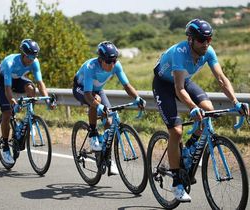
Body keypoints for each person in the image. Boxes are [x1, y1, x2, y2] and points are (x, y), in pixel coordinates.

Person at [152, 19, 249, 202]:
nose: (205, 43)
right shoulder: (180, 52)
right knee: (176, 131)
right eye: (201, 40)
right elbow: (178, 88)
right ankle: (177, 184)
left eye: (209, 39)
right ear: (190, 40)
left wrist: (235, 102)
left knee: (209, 110)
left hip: (184, 81)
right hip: (164, 84)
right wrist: (193, 108)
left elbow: (221, 79)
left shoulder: (208, 51)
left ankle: (188, 150)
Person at [73, 41, 146, 175]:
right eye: (109, 61)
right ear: (101, 59)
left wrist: (136, 97)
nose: (112, 64)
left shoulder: (116, 66)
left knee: (108, 122)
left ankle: (107, 158)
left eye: (114, 60)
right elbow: (89, 96)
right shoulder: (91, 67)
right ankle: (93, 134)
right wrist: (98, 106)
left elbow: (127, 86)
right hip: (82, 89)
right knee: (97, 101)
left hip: (97, 90)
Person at [0, 38, 53, 164]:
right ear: (23, 54)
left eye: (34, 57)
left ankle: (29, 116)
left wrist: (47, 99)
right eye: (30, 57)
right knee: (7, 113)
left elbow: (40, 83)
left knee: (30, 88)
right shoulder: (9, 63)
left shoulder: (34, 62)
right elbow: (7, 88)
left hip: (18, 79)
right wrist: (12, 100)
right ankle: (5, 146)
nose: (32, 60)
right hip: (4, 82)